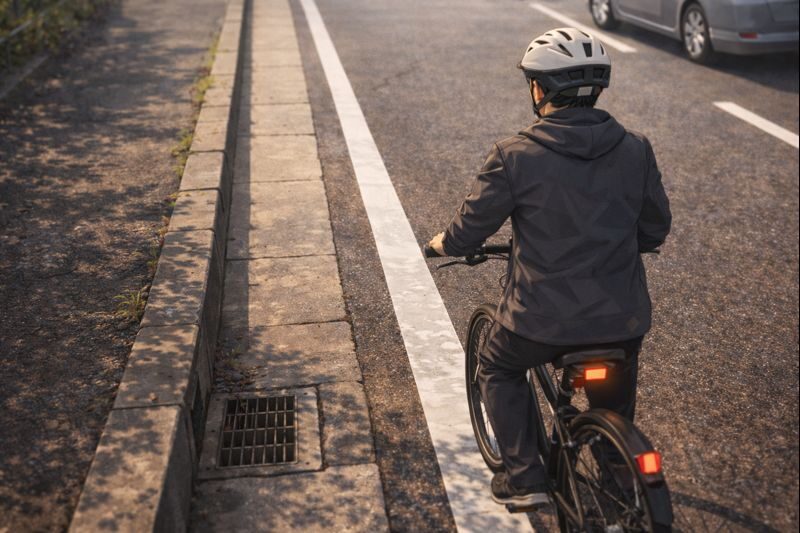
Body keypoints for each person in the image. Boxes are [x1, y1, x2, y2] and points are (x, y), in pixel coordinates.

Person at [428, 27, 671, 508]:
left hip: (540, 321)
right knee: (614, 400)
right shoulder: (636, 148)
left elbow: (469, 230)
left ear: (540, 89)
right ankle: (621, 483)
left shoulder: (514, 154)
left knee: (497, 367)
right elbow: (654, 228)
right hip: (621, 318)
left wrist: (442, 244)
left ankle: (525, 478)